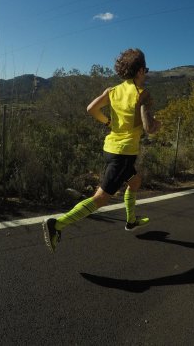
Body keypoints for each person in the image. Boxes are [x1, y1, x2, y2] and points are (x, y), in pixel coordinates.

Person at [42, 48, 161, 253]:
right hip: (123, 154)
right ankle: (57, 225)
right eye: (146, 69)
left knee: (135, 181)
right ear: (140, 70)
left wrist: (107, 122)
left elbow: (91, 109)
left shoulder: (112, 91)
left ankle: (131, 221)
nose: (147, 73)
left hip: (111, 148)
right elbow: (149, 129)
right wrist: (157, 124)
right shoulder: (142, 95)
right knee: (101, 198)